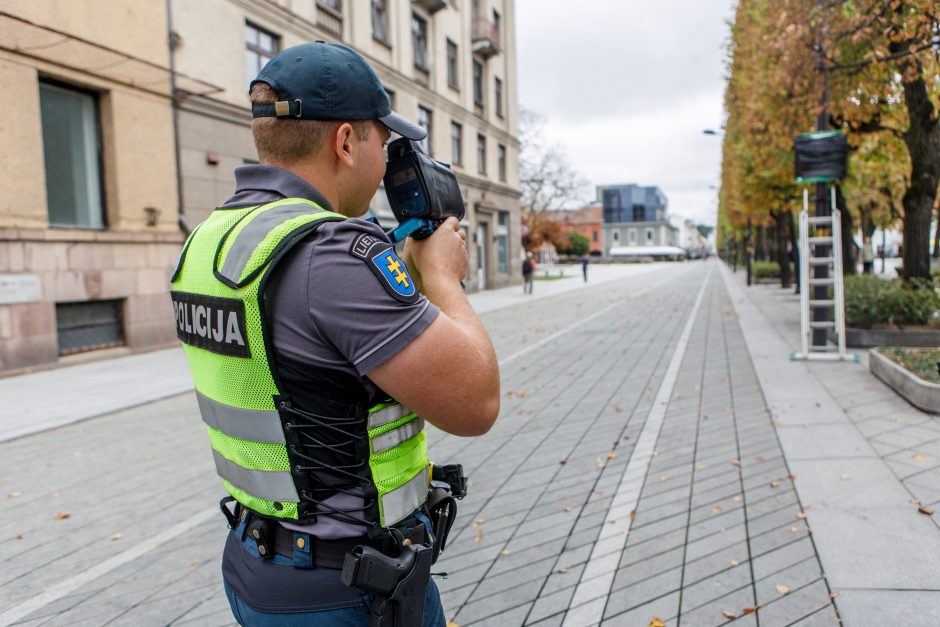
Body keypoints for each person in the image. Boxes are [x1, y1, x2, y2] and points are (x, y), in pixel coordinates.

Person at [169, 41, 500, 626]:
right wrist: (444, 279)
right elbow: (475, 404)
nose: (384, 167)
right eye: (381, 141)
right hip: (350, 590)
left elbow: (307, 361)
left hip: (256, 564)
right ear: (346, 142)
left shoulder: (211, 240)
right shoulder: (334, 254)